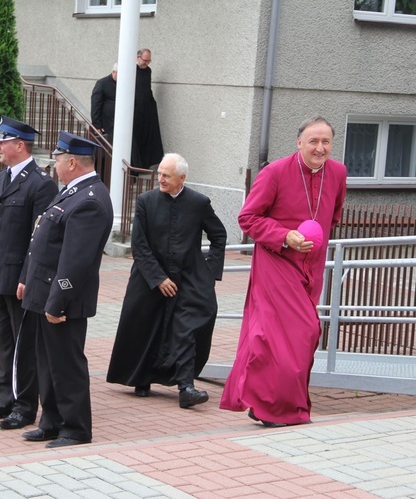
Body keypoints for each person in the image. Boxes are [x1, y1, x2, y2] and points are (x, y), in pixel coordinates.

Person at [220, 116, 347, 427]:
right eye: (313, 141)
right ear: (299, 142)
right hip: (276, 262)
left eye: (326, 141)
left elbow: (334, 214)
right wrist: (284, 236)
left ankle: (269, 403)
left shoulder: (338, 172)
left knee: (303, 336)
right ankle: (274, 409)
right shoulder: (275, 172)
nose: (320, 148)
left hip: (311, 266)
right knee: (283, 336)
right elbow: (248, 217)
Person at [107, 153, 227, 408]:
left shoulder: (199, 202)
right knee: (145, 325)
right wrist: (158, 278)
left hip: (188, 277)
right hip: (149, 275)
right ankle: (142, 377)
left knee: (188, 327)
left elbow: (219, 235)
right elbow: (139, 246)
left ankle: (186, 387)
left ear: (182, 178)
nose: (160, 179)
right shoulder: (145, 201)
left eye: (166, 175)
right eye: (159, 173)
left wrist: (209, 271)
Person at [18, 131, 113, 448]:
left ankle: (75, 428)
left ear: (72, 162)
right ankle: (52, 421)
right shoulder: (73, 192)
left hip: (64, 300)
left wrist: (57, 302)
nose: (54, 165)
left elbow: (76, 261)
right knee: (47, 362)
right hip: (46, 294)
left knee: (67, 364)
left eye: (57, 159)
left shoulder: (90, 200)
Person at [0, 116, 57, 430]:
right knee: (5, 342)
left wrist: (27, 277)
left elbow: (39, 238)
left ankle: (24, 405)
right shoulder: (1, 178)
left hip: (20, 279)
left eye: (2, 141)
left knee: (24, 344)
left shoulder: (40, 182)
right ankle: (5, 398)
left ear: (19, 145)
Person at [131, 48, 164, 169]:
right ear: (138, 57)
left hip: (146, 109)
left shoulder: (148, 70)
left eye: (149, 61)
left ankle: (145, 164)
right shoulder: (130, 68)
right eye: (145, 60)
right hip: (134, 109)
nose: (146, 63)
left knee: (147, 137)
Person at [90, 63, 117, 144]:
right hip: (106, 123)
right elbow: (95, 105)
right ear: (113, 72)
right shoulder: (102, 83)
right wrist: (97, 125)